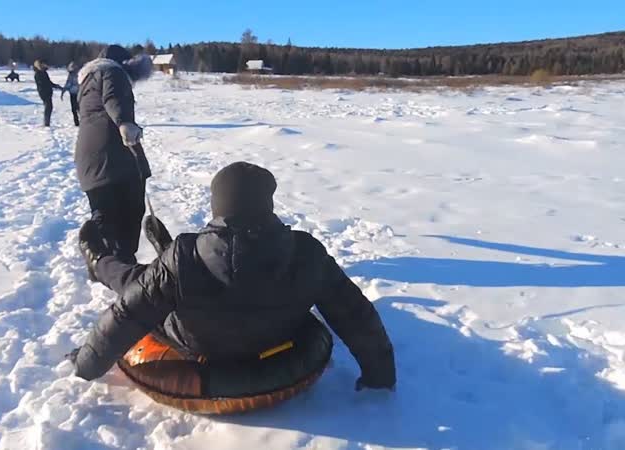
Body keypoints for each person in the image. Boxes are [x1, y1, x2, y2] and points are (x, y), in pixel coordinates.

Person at [69, 161, 397, 392]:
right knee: (163, 276)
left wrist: (86, 365)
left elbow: (127, 314)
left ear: (218, 205)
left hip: (192, 338)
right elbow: (355, 314)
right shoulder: (306, 252)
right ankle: (154, 253)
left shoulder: (185, 256)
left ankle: (99, 263)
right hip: (274, 336)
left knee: (136, 281)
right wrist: (380, 375)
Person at [74, 45, 153, 266]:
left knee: (104, 212)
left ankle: (100, 261)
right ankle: (122, 264)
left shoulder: (87, 81)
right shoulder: (112, 72)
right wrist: (125, 122)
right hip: (114, 155)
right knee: (130, 210)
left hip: (89, 156)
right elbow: (113, 98)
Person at [33, 60, 63, 127]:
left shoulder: (44, 72)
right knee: (48, 106)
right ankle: (46, 123)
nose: (45, 65)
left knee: (49, 107)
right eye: (43, 64)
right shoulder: (38, 74)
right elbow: (43, 83)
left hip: (48, 92)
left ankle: (47, 122)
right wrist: (50, 86)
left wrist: (56, 86)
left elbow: (49, 82)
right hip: (43, 92)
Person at [62, 62, 80, 126]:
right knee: (75, 109)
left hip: (78, 93)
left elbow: (68, 84)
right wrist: (63, 91)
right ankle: (77, 122)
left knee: (77, 108)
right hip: (73, 93)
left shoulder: (79, 74)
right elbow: (68, 84)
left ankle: (79, 121)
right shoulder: (71, 75)